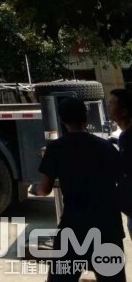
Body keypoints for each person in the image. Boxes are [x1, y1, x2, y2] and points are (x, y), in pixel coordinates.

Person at [30, 96, 126, 281]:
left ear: (63, 120)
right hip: (107, 226)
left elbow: (44, 189)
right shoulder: (106, 147)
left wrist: (35, 190)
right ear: (86, 117)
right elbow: (120, 181)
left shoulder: (57, 148)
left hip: (74, 227)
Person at [109, 88, 132, 237]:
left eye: (111, 104)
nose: (108, 106)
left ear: (123, 112)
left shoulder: (129, 137)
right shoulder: (124, 136)